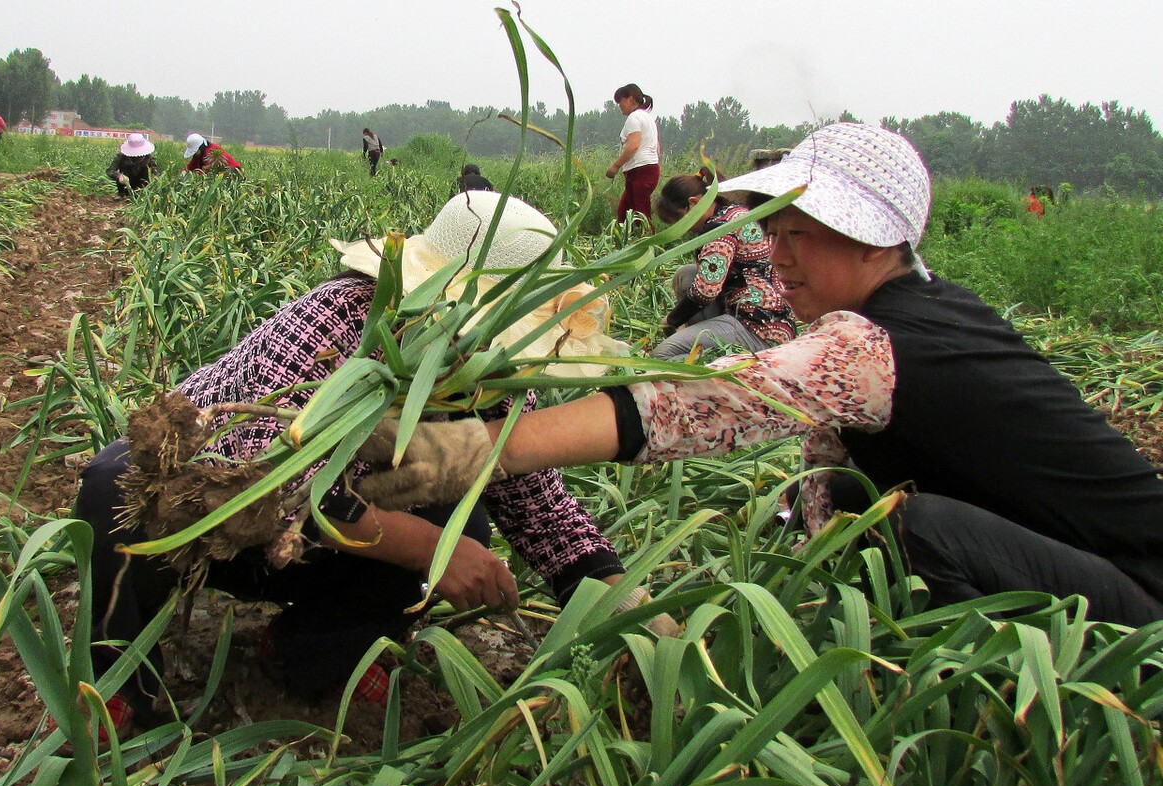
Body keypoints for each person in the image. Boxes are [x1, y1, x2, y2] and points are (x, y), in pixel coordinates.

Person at [358, 123, 1163, 630]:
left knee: (924, 529)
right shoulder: (913, 315)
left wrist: (481, 448)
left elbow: (702, 404)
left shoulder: (876, 343)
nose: (776, 258)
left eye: (797, 235)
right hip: (1069, 569)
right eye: (772, 234)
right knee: (854, 501)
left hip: (1139, 601)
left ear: (871, 240)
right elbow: (823, 478)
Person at [69, 192, 662, 743]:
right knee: (113, 482)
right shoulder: (339, 319)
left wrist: (633, 610)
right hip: (211, 524)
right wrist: (432, 551)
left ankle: (309, 650)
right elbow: (263, 484)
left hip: (323, 548)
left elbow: (544, 515)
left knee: (464, 524)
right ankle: (115, 682)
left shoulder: (493, 381)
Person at [650, 167, 796, 361]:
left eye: (679, 221)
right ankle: (705, 340)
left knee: (661, 355)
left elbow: (706, 290)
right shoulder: (733, 211)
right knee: (686, 275)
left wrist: (671, 320)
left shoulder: (719, 229)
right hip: (764, 310)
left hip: (758, 325)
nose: (683, 229)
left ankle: (727, 363)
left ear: (693, 203)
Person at [606, 84, 660, 231]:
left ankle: (648, 241)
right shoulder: (647, 118)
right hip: (650, 168)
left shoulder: (634, 118)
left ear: (630, 98)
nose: (619, 106)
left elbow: (633, 145)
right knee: (624, 212)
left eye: (621, 102)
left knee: (641, 215)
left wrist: (615, 166)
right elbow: (657, 147)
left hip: (640, 171)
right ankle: (622, 241)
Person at [106, 134, 160, 198]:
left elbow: (156, 175)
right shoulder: (121, 157)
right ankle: (122, 195)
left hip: (143, 191)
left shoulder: (149, 159)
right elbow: (110, 170)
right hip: (124, 190)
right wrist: (119, 176)